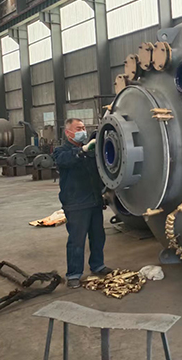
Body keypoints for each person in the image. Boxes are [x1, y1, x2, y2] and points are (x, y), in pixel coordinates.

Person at [53, 118, 113, 288]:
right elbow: (64, 160)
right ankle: (73, 274)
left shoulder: (90, 151)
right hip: (76, 203)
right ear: (68, 132)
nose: (83, 131)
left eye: (83, 127)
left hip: (94, 200)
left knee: (98, 236)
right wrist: (83, 150)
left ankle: (97, 265)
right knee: (77, 240)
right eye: (78, 128)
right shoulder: (61, 151)